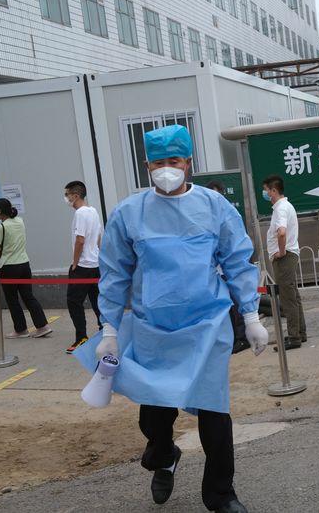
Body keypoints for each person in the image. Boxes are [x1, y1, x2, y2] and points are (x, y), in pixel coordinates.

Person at [74, 124, 268, 513]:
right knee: (155, 416)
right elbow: (114, 273)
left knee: (214, 412)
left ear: (188, 162)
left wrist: (250, 313)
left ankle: (221, 494)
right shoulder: (131, 212)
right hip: (153, 328)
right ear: (147, 165)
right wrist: (109, 329)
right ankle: (163, 456)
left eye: (174, 161)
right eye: (159, 162)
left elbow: (237, 261)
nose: (167, 169)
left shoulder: (215, 208)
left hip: (207, 325)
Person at [0, 198, 52, 339]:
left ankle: (21, 330)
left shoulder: (1, 227)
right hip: (24, 264)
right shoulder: (20, 221)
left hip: (8, 267)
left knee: (12, 299)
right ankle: (43, 326)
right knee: (28, 296)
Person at [262, 175, 307, 351]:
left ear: (273, 190)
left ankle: (294, 336)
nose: (264, 193)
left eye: (266, 190)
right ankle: (300, 333)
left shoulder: (281, 208)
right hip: (289, 254)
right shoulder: (284, 206)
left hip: (285, 257)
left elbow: (281, 233)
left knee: (288, 298)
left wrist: (280, 252)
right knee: (293, 296)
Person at [206, 180, 249, 355]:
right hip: (212, 273)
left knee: (235, 305)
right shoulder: (202, 216)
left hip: (227, 270)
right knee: (226, 309)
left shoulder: (228, 215)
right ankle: (232, 338)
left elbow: (236, 246)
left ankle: (242, 338)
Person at [63, 181, 103, 354]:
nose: (66, 198)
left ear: (75, 195)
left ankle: (81, 337)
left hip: (83, 266)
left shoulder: (80, 213)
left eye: (67, 194)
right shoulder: (93, 211)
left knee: (74, 302)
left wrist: (74, 262)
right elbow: (99, 236)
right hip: (96, 264)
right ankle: (105, 329)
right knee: (96, 299)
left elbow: (80, 240)